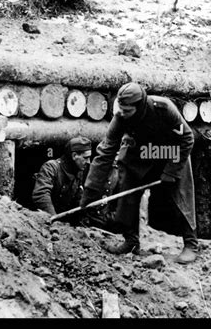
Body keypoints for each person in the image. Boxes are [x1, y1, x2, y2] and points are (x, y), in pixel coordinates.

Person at [80, 82, 199, 264]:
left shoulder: (164, 108)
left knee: (181, 194)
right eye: (121, 109)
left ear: (140, 105)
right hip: (141, 153)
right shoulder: (120, 117)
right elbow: (106, 152)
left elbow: (187, 137)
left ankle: (191, 244)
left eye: (128, 110)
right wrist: (90, 192)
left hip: (170, 152)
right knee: (127, 187)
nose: (123, 113)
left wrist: (170, 171)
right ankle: (131, 240)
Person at [32, 137, 92, 216]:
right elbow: (41, 195)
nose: (89, 162)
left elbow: (77, 200)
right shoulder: (51, 167)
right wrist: (54, 219)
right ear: (74, 156)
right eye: (86, 158)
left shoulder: (79, 171)